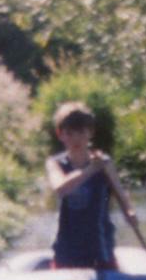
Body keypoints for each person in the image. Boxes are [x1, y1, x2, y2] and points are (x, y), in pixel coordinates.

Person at [45, 101, 134, 269]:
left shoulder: (105, 163)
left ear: (90, 132)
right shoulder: (55, 163)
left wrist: (130, 212)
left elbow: (122, 196)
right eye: (69, 133)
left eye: (81, 132)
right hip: (66, 249)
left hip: (100, 248)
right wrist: (91, 169)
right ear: (60, 134)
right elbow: (61, 188)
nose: (76, 139)